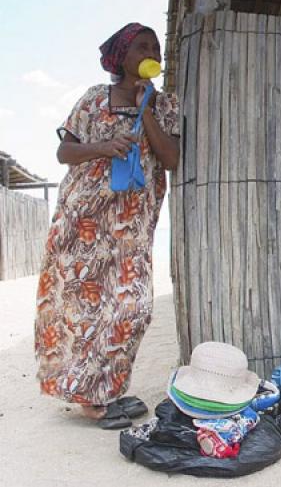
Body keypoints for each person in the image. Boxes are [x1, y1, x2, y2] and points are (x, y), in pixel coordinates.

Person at [35, 23, 180, 429]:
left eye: (155, 47)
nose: (151, 52)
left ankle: (103, 388)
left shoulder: (165, 104)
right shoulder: (93, 99)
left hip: (133, 224)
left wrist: (146, 109)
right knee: (86, 308)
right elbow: (65, 151)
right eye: (141, 46)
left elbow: (170, 159)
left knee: (134, 308)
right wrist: (104, 146)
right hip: (83, 218)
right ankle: (95, 398)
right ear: (121, 55)